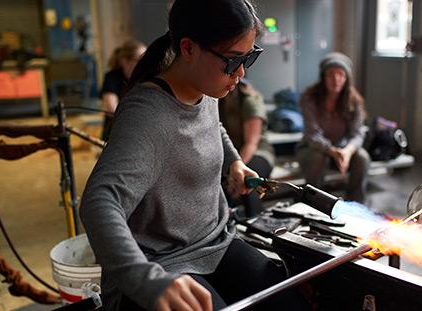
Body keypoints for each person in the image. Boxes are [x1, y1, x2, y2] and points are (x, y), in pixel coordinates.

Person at [80, 1, 308, 310]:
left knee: (289, 302)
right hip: (162, 262)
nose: (240, 73)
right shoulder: (147, 116)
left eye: (249, 58)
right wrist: (146, 279)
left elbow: (214, 126)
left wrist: (234, 162)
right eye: (232, 61)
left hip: (215, 241)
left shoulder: (206, 88)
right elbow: (100, 201)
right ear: (188, 48)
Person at [296, 52, 370, 203]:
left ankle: (356, 205)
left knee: (362, 158)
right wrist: (332, 152)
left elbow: (357, 134)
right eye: (331, 74)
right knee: (317, 158)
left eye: (340, 74)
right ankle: (314, 204)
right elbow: (313, 135)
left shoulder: (354, 101)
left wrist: (347, 152)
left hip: (342, 150)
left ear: (346, 78)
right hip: (312, 149)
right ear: (323, 77)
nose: (336, 79)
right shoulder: (309, 98)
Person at [218, 78, 275, 217]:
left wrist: (235, 169)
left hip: (257, 152)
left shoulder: (250, 100)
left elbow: (251, 143)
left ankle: (256, 221)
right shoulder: (215, 99)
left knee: (247, 180)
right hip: (231, 154)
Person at [100, 39, 146, 141]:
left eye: (147, 59)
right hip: (115, 134)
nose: (145, 64)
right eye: (140, 59)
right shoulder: (112, 77)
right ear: (125, 61)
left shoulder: (145, 78)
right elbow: (112, 108)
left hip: (140, 133)